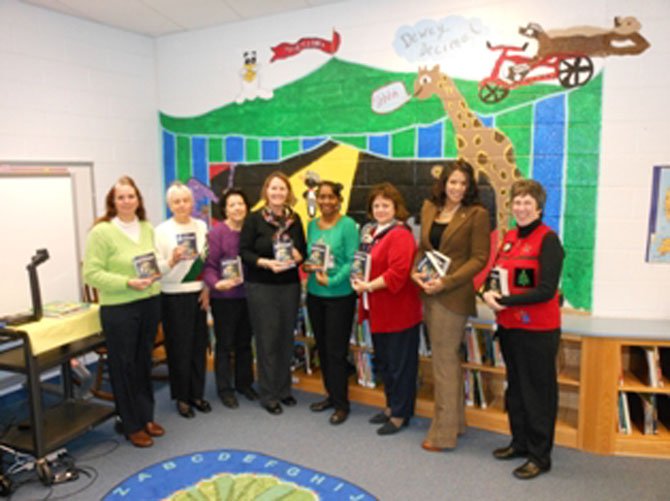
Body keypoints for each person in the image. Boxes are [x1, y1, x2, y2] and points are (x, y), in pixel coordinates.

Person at [482, 179, 565, 480]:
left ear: (539, 207)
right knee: (515, 390)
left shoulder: (548, 240)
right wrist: (486, 293)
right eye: (517, 202)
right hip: (509, 327)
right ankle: (519, 443)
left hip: (538, 331)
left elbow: (546, 290)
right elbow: (494, 275)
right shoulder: (509, 238)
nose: (521, 207)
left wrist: (505, 300)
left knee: (537, 394)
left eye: (527, 202)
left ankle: (540, 456)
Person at [412, 161, 491, 451]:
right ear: (443, 183)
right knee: (446, 361)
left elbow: (479, 258)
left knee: (444, 363)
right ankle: (455, 423)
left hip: (453, 297)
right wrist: (416, 272)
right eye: (453, 182)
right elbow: (423, 248)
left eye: (463, 183)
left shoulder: (477, 215)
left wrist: (446, 282)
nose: (457, 188)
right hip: (429, 291)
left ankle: (442, 435)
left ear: (469, 186)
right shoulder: (430, 208)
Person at [83, 176, 165, 448]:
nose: (127, 201)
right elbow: (91, 274)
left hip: (149, 302)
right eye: (121, 197)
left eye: (131, 196)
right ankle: (130, 424)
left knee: (144, 362)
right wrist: (127, 282)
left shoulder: (146, 227)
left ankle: (146, 417)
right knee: (124, 365)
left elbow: (152, 263)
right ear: (113, 202)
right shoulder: (102, 232)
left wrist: (163, 267)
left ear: (138, 200)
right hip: (119, 307)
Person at [351, 182, 422, 435]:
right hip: (378, 310)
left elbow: (398, 274)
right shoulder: (371, 232)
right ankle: (392, 406)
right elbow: (362, 262)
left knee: (400, 366)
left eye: (386, 205)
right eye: (377, 205)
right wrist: (357, 279)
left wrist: (368, 285)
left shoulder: (400, 234)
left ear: (396, 208)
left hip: (399, 312)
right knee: (385, 363)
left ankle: (401, 414)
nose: (381, 210)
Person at [239, 171, 306, 415]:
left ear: (288, 192)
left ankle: (284, 389)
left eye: (282, 189)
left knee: (285, 339)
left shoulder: (295, 219)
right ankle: (268, 394)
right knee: (267, 341)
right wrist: (266, 263)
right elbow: (244, 252)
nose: (278, 193)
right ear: (266, 191)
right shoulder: (254, 219)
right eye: (273, 188)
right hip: (262, 286)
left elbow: (303, 252)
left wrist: (298, 256)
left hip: (289, 285)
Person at [304, 181, 359, 425]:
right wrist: (308, 266)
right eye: (321, 197)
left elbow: (352, 260)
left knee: (336, 352)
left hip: (340, 295)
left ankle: (341, 404)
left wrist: (333, 280)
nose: (326, 201)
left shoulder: (347, 225)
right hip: (315, 295)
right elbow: (311, 257)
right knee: (323, 349)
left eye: (330, 197)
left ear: (338, 199)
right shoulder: (311, 225)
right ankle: (330, 394)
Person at [154, 182, 211, 419]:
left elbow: (209, 261)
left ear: (193, 202)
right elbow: (155, 267)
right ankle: (182, 397)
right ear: (169, 205)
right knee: (179, 349)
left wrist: (207, 288)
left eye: (186, 200)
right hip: (172, 295)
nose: (182, 205)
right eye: (176, 201)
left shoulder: (201, 226)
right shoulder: (161, 230)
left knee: (199, 346)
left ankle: (197, 394)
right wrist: (172, 260)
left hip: (198, 293)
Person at [203, 188, 258, 409]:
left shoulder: (252, 229)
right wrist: (217, 284)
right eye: (232, 205)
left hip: (250, 295)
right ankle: (225, 389)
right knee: (225, 344)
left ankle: (245, 384)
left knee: (245, 343)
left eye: (241, 203)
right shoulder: (216, 233)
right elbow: (208, 267)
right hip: (224, 297)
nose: (237, 208)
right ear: (225, 209)